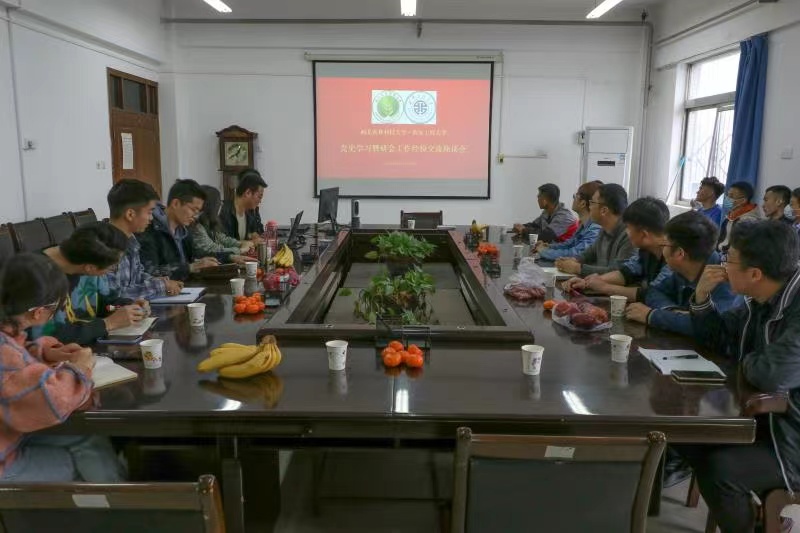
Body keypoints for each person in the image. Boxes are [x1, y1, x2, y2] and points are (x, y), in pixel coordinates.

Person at [679, 220, 800, 533]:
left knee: (721, 471)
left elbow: (772, 373)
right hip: (765, 419)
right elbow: (718, 341)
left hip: (791, 437)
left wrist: (743, 362)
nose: (722, 264)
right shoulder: (760, 299)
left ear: (755, 274)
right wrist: (701, 297)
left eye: (729, 258)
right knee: (684, 437)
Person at [0, 253, 125, 482]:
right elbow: (54, 401)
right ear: (38, 312)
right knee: (79, 465)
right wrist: (80, 369)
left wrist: (45, 353)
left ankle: (116, 491)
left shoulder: (7, 328)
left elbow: (15, 356)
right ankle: (111, 497)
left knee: (89, 439)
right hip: (5, 458)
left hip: (10, 431)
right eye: (55, 308)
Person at [625, 210, 738, 336]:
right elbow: (653, 292)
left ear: (679, 253)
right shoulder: (682, 269)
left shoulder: (723, 279)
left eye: (664, 245)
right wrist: (673, 312)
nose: (662, 250)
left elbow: (709, 328)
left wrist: (651, 316)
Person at [38, 222, 146, 346]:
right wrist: (108, 323)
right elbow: (46, 338)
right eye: (112, 267)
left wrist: (127, 307)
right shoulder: (37, 278)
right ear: (90, 268)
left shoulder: (86, 257)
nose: (113, 270)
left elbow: (105, 306)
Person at [563, 196, 670, 303]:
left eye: (628, 227)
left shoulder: (671, 257)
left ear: (644, 234)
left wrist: (605, 287)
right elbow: (626, 273)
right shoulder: (646, 250)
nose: (626, 231)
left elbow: (651, 293)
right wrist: (588, 282)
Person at [105, 179, 184, 299]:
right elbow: (113, 296)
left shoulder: (131, 240)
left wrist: (158, 281)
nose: (151, 218)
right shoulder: (106, 246)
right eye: (149, 212)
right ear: (130, 214)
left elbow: (137, 276)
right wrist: (161, 286)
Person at [139, 179, 221, 281]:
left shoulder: (185, 229)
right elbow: (149, 272)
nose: (195, 216)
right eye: (193, 210)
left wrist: (229, 257)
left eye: (198, 212)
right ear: (176, 203)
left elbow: (196, 255)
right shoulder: (148, 228)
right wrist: (190, 267)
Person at [554, 183, 634, 277]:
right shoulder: (604, 229)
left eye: (592, 203)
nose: (589, 207)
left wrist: (577, 268)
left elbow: (618, 272)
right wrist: (573, 260)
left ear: (604, 210)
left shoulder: (629, 235)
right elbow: (589, 253)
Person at [535, 181, 602, 262]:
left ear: (583, 203)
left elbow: (576, 253)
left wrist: (544, 251)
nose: (573, 199)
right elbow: (569, 244)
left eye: (575, 196)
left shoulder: (595, 229)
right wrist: (549, 246)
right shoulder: (583, 225)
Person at [191, 185, 255, 264]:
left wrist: (241, 244)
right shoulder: (197, 227)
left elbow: (223, 239)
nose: (221, 203)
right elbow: (213, 249)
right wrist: (240, 250)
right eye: (218, 201)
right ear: (211, 205)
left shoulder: (211, 223)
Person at [513, 183, 579, 243]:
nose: (537, 198)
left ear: (545, 201)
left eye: (539, 196)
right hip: (552, 247)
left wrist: (524, 230)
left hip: (565, 249)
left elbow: (546, 236)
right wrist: (521, 226)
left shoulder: (564, 216)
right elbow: (535, 225)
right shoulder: (547, 211)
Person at [219, 169, 267, 241]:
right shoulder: (223, 211)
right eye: (259, 197)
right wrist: (244, 243)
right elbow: (222, 243)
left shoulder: (249, 213)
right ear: (248, 193)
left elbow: (257, 233)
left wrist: (252, 236)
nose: (260, 202)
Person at [718, 181, 762, 252]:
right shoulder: (730, 215)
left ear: (743, 200)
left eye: (731, 196)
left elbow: (743, 249)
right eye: (727, 195)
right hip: (722, 253)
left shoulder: (749, 221)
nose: (727, 198)